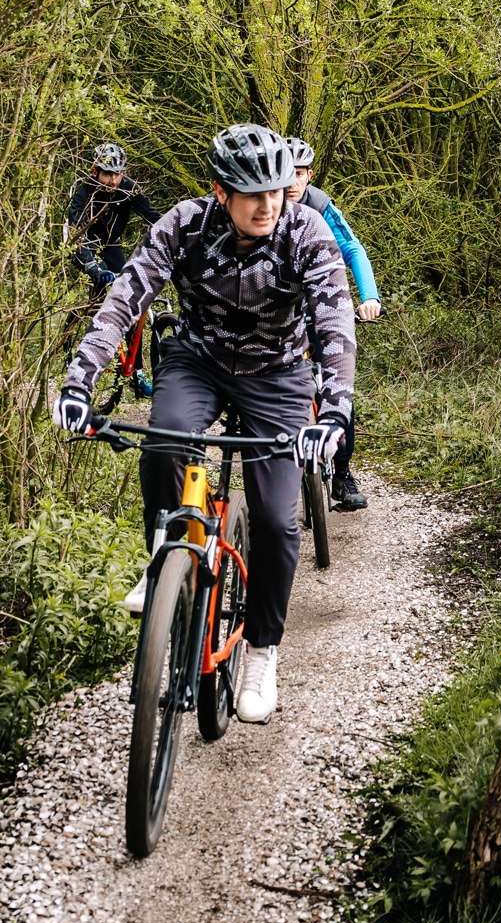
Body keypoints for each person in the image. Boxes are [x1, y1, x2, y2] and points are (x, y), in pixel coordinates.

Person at [52, 124, 354, 724]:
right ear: (221, 192)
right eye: (252, 194)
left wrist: (335, 409)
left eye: (275, 191)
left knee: (276, 519)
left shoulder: (306, 232)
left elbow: (334, 321)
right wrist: (79, 382)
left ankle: (262, 651)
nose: (268, 204)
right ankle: (166, 556)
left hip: (276, 373)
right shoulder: (183, 224)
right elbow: (124, 300)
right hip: (198, 362)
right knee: (164, 441)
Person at [286, 137, 380, 512]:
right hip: (281, 311)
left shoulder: (320, 205)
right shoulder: (260, 206)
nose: (292, 181)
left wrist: (369, 297)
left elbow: (353, 249)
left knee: (336, 385)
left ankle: (342, 474)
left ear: (310, 174)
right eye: (286, 172)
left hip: (322, 307)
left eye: (299, 173)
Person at [65, 142, 160, 290]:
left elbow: (152, 216)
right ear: (95, 172)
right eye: (108, 174)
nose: (114, 181)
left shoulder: (129, 187)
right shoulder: (82, 189)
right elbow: (75, 230)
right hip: (82, 242)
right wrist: (91, 266)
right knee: (100, 276)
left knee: (127, 283)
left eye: (118, 173)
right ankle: (95, 303)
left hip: (110, 243)